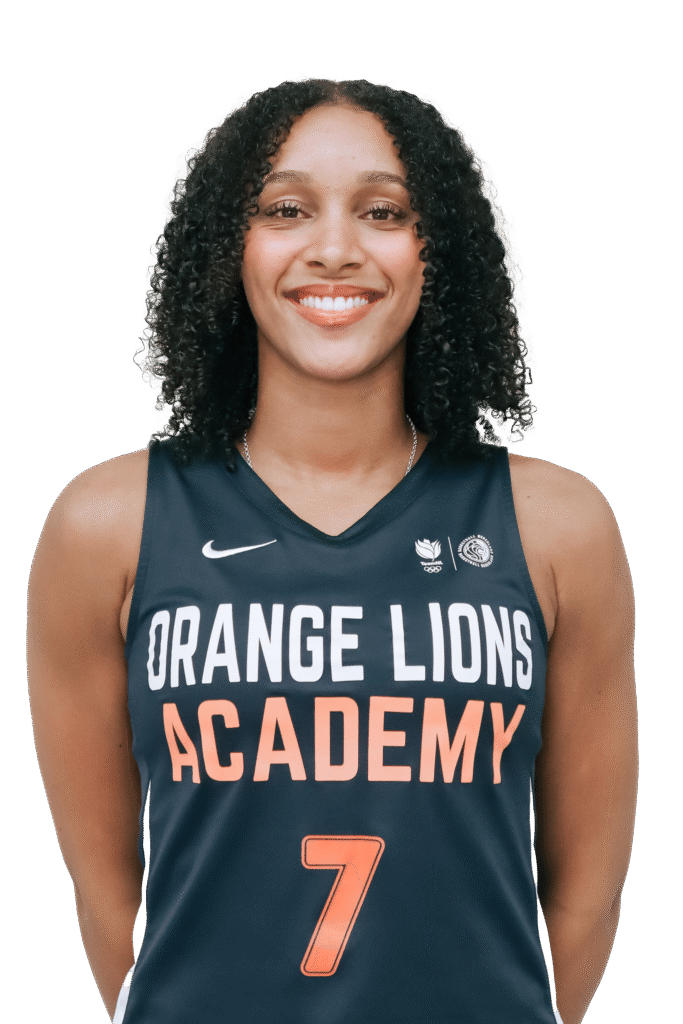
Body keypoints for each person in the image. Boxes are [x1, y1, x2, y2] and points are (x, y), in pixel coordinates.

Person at [26, 76, 638, 1024]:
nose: (335, 248)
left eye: (383, 212)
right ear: (228, 246)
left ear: (437, 252)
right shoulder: (105, 525)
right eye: (285, 209)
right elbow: (107, 894)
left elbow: (587, 895)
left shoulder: (557, 526)